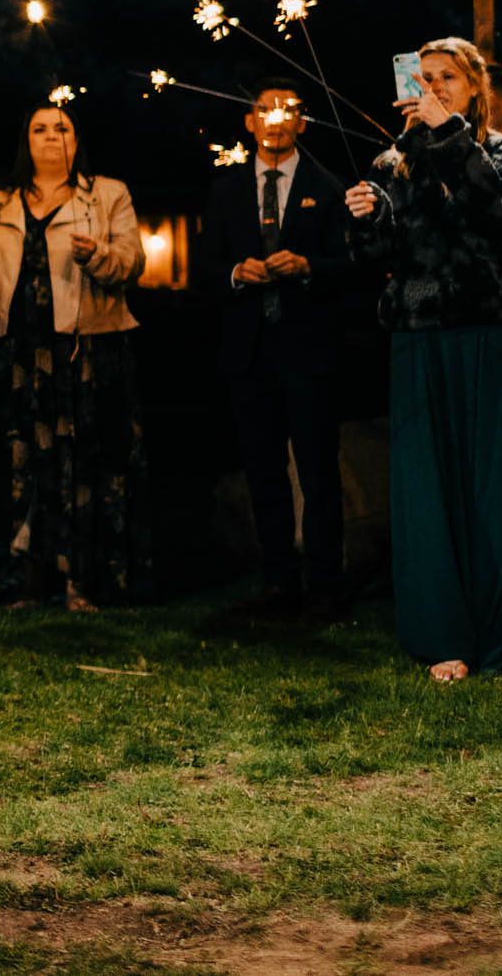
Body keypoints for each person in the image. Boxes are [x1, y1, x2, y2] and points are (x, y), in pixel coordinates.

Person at [345, 36, 502, 682]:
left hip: (487, 333)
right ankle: (444, 640)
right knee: (426, 491)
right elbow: (374, 256)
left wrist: (448, 133)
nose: (432, 87)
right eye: (424, 78)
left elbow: (497, 211)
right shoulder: (392, 160)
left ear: (474, 86)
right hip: (417, 334)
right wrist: (366, 215)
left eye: (446, 78)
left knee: (492, 487)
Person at [0, 104, 149, 614]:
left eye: (61, 128)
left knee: (84, 466)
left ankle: (82, 583)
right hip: (16, 355)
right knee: (19, 465)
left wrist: (99, 257)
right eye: (39, 129)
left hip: (85, 351)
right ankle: (19, 582)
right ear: (25, 141)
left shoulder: (107, 193)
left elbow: (133, 262)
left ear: (76, 138)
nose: (50, 137)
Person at [196, 84, 357, 619]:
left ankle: (326, 585)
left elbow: (350, 266)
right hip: (249, 352)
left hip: (308, 351)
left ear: (302, 125)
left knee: (317, 472)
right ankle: (278, 582)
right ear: (249, 123)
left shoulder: (327, 186)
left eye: (287, 110)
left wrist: (308, 267)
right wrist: (238, 273)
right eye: (265, 109)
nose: (275, 119)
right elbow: (204, 270)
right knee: (263, 471)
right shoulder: (225, 191)